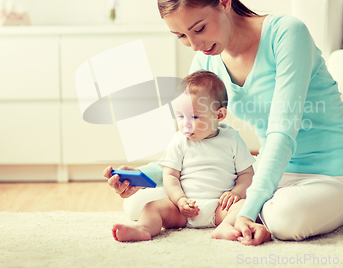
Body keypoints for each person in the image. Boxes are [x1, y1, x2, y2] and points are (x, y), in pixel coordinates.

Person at [105, 0, 343, 245]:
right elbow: (195, 138)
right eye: (181, 36)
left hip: (332, 175)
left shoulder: (287, 34)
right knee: (138, 203)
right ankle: (244, 217)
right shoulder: (207, 59)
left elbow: (282, 133)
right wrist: (142, 175)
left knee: (285, 219)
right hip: (268, 172)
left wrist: (247, 207)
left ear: (224, 1)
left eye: (199, 28)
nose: (194, 44)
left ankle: (250, 217)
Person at [110, 70, 256, 242]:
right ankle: (143, 229)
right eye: (180, 116)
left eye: (194, 116)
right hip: (182, 209)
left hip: (220, 207)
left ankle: (226, 226)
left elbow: (247, 174)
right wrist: (180, 201)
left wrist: (237, 193)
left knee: (247, 206)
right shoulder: (179, 140)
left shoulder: (232, 139)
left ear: (219, 115)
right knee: (151, 207)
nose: (185, 123)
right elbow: (170, 176)